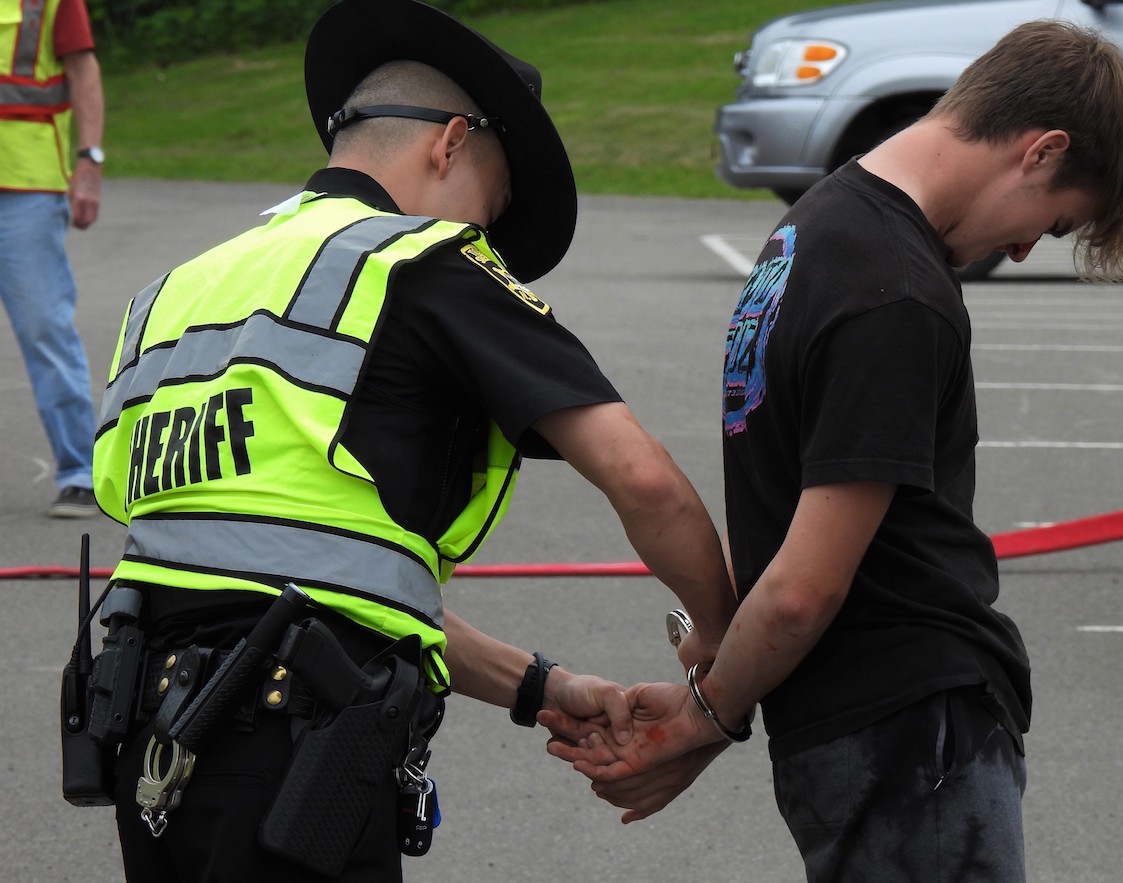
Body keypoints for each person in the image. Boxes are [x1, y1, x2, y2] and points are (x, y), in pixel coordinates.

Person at [85, 0, 734, 880]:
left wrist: (542, 686)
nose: (485, 237)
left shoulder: (175, 293)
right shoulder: (423, 262)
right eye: (492, 207)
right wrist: (721, 641)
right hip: (292, 765)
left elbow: (309, 577)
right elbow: (644, 480)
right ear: (451, 144)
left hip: (154, 759)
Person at [542, 20, 1123, 883]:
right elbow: (800, 589)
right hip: (915, 728)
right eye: (1052, 225)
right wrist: (703, 721)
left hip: (844, 727)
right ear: (1041, 149)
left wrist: (711, 696)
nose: (1021, 250)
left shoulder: (811, 229)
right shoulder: (895, 292)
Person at [0, 0, 104, 517]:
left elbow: (83, 69)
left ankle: (80, 472)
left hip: (27, 182)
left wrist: (89, 161)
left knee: (44, 325)